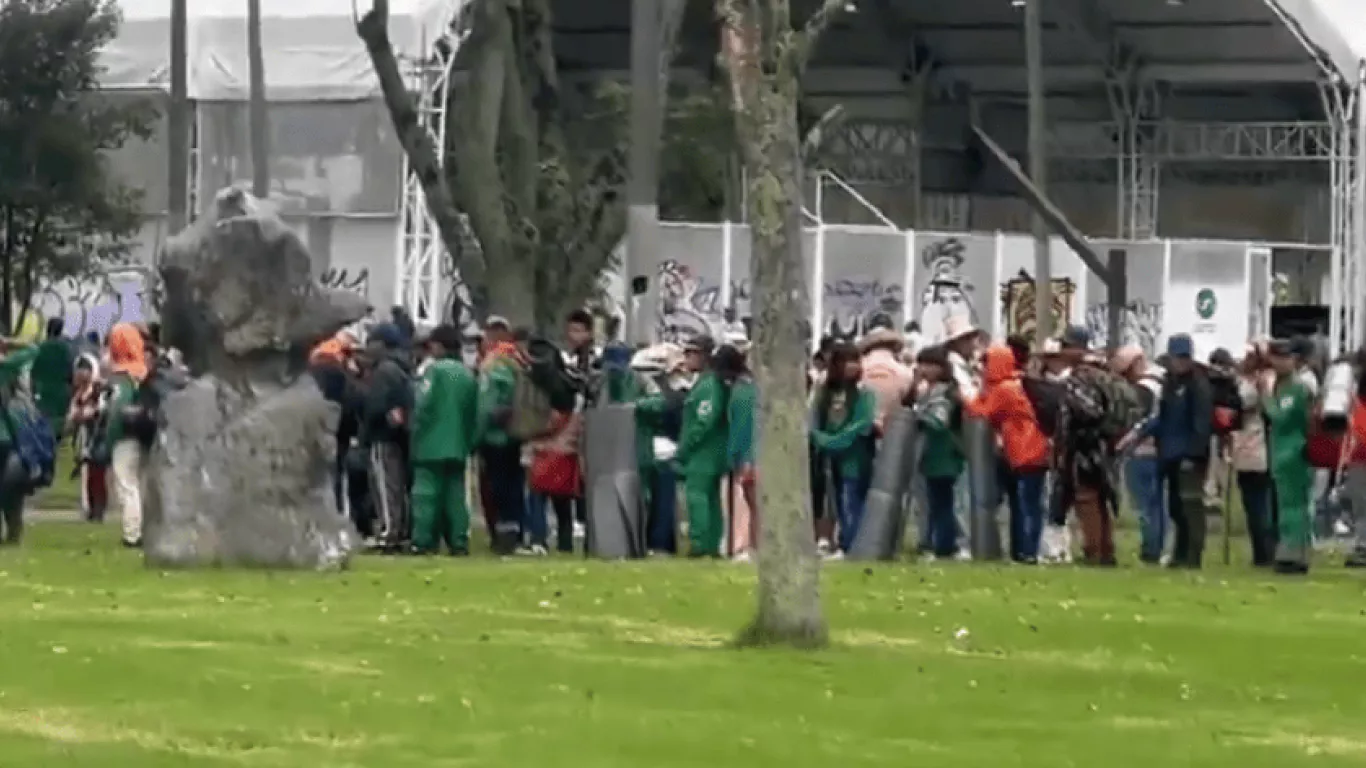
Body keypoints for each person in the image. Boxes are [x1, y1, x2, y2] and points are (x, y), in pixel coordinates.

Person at [965, 345, 1049, 563]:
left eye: (986, 363)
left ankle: (1027, 551)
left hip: (1025, 449)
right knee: (1025, 504)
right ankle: (1022, 550)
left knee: (1026, 505)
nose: (983, 368)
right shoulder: (1014, 385)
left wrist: (968, 397)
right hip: (1028, 449)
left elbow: (982, 413)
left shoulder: (1004, 389)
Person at [410, 324, 479, 556]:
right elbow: (475, 412)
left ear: (438, 346)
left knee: (426, 495)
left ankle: (423, 540)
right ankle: (458, 541)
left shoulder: (433, 371)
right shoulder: (468, 375)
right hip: (459, 444)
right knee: (455, 496)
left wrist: (414, 431)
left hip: (430, 444)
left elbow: (423, 405)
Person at [810, 343, 876, 559]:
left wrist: (832, 441)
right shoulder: (825, 391)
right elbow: (813, 420)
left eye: (856, 360)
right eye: (848, 361)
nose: (853, 366)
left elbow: (862, 424)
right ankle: (841, 542)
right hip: (830, 458)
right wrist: (820, 439)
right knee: (835, 500)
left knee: (851, 498)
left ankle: (852, 544)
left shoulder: (864, 392)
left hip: (856, 456)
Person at [1155, 334, 1214, 569]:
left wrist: (1194, 454)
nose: (1180, 362)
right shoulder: (1169, 383)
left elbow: (1201, 423)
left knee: (1191, 506)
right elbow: (1164, 418)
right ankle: (1179, 553)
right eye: (1176, 358)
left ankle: (1193, 555)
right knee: (1176, 507)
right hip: (1169, 452)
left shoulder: (1198, 384)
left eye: (1184, 357)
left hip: (1189, 454)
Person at [361, 323, 414, 552]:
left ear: (382, 344)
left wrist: (366, 428)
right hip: (399, 436)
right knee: (396, 485)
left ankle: (388, 532)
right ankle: (398, 529)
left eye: (371, 341)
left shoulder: (384, 370)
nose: (367, 346)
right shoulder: (402, 367)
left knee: (384, 484)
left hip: (383, 435)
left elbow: (376, 405)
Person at [1263, 339, 1313, 574]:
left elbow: (1281, 417)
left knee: (1292, 505)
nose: (1282, 362)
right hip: (1283, 449)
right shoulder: (1283, 385)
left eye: (1287, 357)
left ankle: (1292, 553)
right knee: (1290, 504)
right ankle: (1294, 551)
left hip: (1293, 450)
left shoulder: (1295, 387)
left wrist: (1266, 398)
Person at [1113, 345, 1167, 564]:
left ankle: (1150, 549)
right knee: (1157, 504)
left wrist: (1123, 441)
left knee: (1146, 505)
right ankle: (1157, 546)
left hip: (1141, 450)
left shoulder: (1142, 389)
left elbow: (1134, 420)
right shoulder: (1161, 383)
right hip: (1159, 451)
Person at [677, 338, 729, 558]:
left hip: (704, 451)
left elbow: (704, 420)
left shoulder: (708, 385)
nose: (687, 358)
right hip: (709, 450)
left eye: (692, 353)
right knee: (710, 498)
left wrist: (686, 445)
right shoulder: (705, 383)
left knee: (697, 496)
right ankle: (711, 543)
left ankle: (701, 544)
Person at [478, 323, 527, 555]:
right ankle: (516, 532)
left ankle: (503, 538)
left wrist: (476, 436)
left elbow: (487, 406)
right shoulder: (518, 359)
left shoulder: (493, 364)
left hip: (495, 437)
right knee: (514, 485)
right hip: (517, 433)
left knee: (497, 487)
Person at [99, 323, 150, 548]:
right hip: (147, 433)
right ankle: (149, 528)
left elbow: (115, 413)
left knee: (127, 485)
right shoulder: (145, 371)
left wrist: (108, 440)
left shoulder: (121, 377)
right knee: (144, 484)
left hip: (126, 436)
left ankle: (132, 534)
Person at [914, 345, 965, 559]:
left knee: (943, 502)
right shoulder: (929, 391)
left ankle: (944, 545)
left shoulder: (945, 392)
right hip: (932, 455)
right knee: (936, 501)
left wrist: (919, 416)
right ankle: (938, 541)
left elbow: (939, 421)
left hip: (945, 453)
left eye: (928, 364)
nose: (923, 368)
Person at [1231, 343, 1276, 566]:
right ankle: (1260, 551)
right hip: (1244, 446)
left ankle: (1265, 552)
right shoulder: (1245, 380)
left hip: (1259, 447)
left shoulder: (1264, 380)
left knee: (1260, 505)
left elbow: (1247, 403)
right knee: (1251, 505)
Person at [66, 355, 108, 523]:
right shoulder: (78, 394)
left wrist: (87, 414)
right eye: (80, 369)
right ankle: (88, 507)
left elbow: (100, 410)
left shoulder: (98, 391)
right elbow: (72, 414)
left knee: (97, 474)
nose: (82, 373)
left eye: (86, 369)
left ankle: (97, 508)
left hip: (96, 436)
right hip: (83, 437)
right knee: (85, 473)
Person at [30, 317, 73, 440]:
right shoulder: (65, 349)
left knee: (43, 426)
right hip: (61, 393)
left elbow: (33, 374)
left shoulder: (40, 348)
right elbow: (70, 374)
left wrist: (33, 393)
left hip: (43, 392)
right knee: (58, 429)